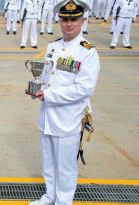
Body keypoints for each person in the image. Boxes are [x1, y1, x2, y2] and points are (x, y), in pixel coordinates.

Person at [30, 0, 100, 204]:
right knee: (49, 162)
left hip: (69, 118)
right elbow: (46, 76)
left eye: (73, 19)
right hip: (48, 116)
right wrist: (37, 88)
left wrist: (50, 95)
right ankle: (49, 196)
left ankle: (63, 201)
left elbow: (84, 88)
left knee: (66, 167)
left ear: (83, 21)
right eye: (64, 19)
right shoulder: (53, 46)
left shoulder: (87, 52)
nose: (69, 24)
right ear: (59, 21)